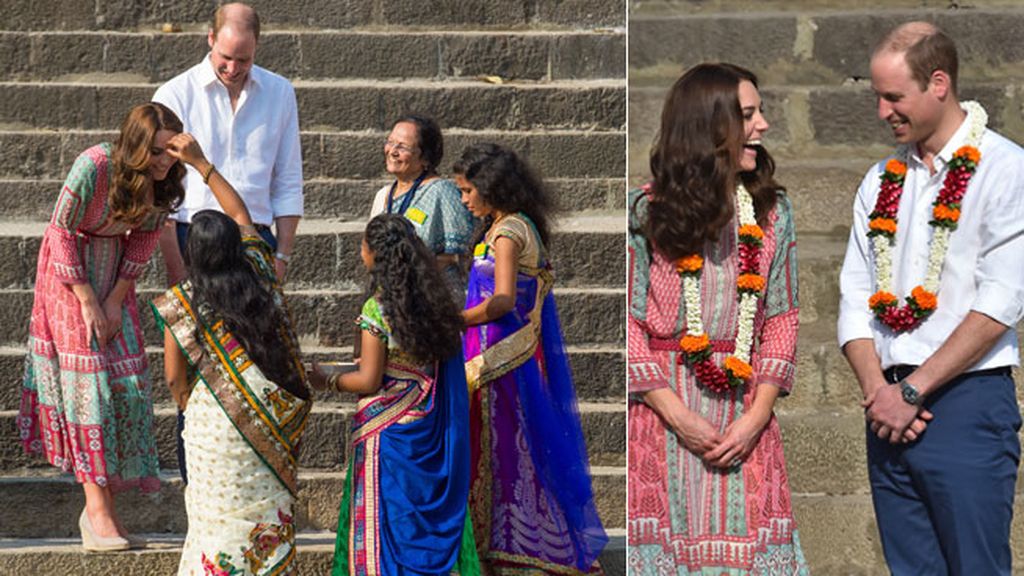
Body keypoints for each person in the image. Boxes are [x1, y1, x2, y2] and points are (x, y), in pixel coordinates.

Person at [838, 22, 1024, 575]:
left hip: (965, 400)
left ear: (938, 83)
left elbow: (1003, 300)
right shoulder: (881, 179)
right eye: (877, 96)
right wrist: (881, 392)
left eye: (894, 96)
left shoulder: (1004, 167)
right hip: (888, 408)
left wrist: (915, 390)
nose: (881, 111)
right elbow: (854, 292)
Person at [626, 63, 807, 573]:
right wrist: (679, 417)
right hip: (663, 415)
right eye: (748, 115)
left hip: (746, 410)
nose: (764, 125)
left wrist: (755, 419)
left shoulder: (773, 212)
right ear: (709, 127)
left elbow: (783, 318)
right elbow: (629, 324)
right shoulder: (646, 210)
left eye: (761, 112)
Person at [17, 102, 190, 551]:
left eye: (171, 151)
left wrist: (114, 299)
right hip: (67, 276)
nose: (165, 161)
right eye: (156, 151)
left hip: (115, 274)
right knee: (89, 386)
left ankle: (101, 512)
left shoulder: (166, 179)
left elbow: (147, 235)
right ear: (135, 145)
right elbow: (60, 230)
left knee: (128, 384)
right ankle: (98, 513)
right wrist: (88, 299)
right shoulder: (93, 166)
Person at [153, 1, 303, 485]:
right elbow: (161, 192)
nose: (233, 69)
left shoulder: (279, 92)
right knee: (198, 362)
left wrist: (281, 253)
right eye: (225, 58)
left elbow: (288, 179)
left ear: (257, 47)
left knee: (260, 359)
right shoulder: (175, 93)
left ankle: (257, 478)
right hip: (193, 235)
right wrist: (178, 266)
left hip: (254, 238)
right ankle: (198, 480)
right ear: (209, 40)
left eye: (243, 60)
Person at [151, 133, 311, 575]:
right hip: (265, 415)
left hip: (210, 424)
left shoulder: (183, 302)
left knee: (213, 524)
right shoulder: (260, 268)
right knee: (264, 520)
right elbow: (241, 213)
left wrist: (196, 406)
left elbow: (174, 379)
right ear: (236, 247)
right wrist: (202, 165)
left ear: (193, 254)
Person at [454, 143, 608, 574]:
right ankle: (498, 540)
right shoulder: (507, 225)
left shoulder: (507, 234)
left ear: (491, 187)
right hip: (494, 354)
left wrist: (456, 320)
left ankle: (515, 544)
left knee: (506, 447)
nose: (464, 200)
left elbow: (502, 299)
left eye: (468, 191)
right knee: (503, 446)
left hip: (502, 355)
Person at [308, 214, 475, 575]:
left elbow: (369, 379)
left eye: (363, 245)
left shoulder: (378, 308)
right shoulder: (437, 305)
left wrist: (327, 380)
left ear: (374, 254)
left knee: (388, 526)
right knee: (417, 526)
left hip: (389, 435)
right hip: (428, 425)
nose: (360, 251)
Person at [370, 114, 475, 291]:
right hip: (392, 295)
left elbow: (459, 255)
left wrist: (408, 274)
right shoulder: (383, 195)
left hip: (434, 298)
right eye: (390, 142)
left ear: (425, 157)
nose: (392, 151)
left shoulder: (443, 192)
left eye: (402, 147)